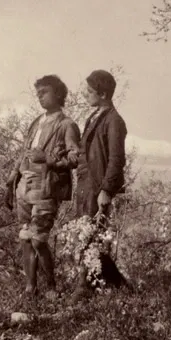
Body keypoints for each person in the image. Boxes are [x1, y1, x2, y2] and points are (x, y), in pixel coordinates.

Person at [5, 75, 81, 299]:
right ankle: (30, 288)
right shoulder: (36, 122)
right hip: (24, 187)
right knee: (26, 238)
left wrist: (48, 159)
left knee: (39, 239)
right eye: (38, 93)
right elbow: (24, 152)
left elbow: (75, 158)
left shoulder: (67, 125)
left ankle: (51, 288)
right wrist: (12, 179)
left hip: (47, 188)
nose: (40, 97)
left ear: (58, 94)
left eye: (44, 92)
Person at [73, 69, 129, 296]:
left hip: (97, 187)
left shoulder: (114, 121)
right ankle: (119, 286)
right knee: (86, 235)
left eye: (89, 91)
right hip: (85, 186)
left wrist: (106, 190)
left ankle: (84, 288)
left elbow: (117, 159)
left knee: (90, 237)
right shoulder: (94, 117)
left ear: (103, 94)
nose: (85, 95)